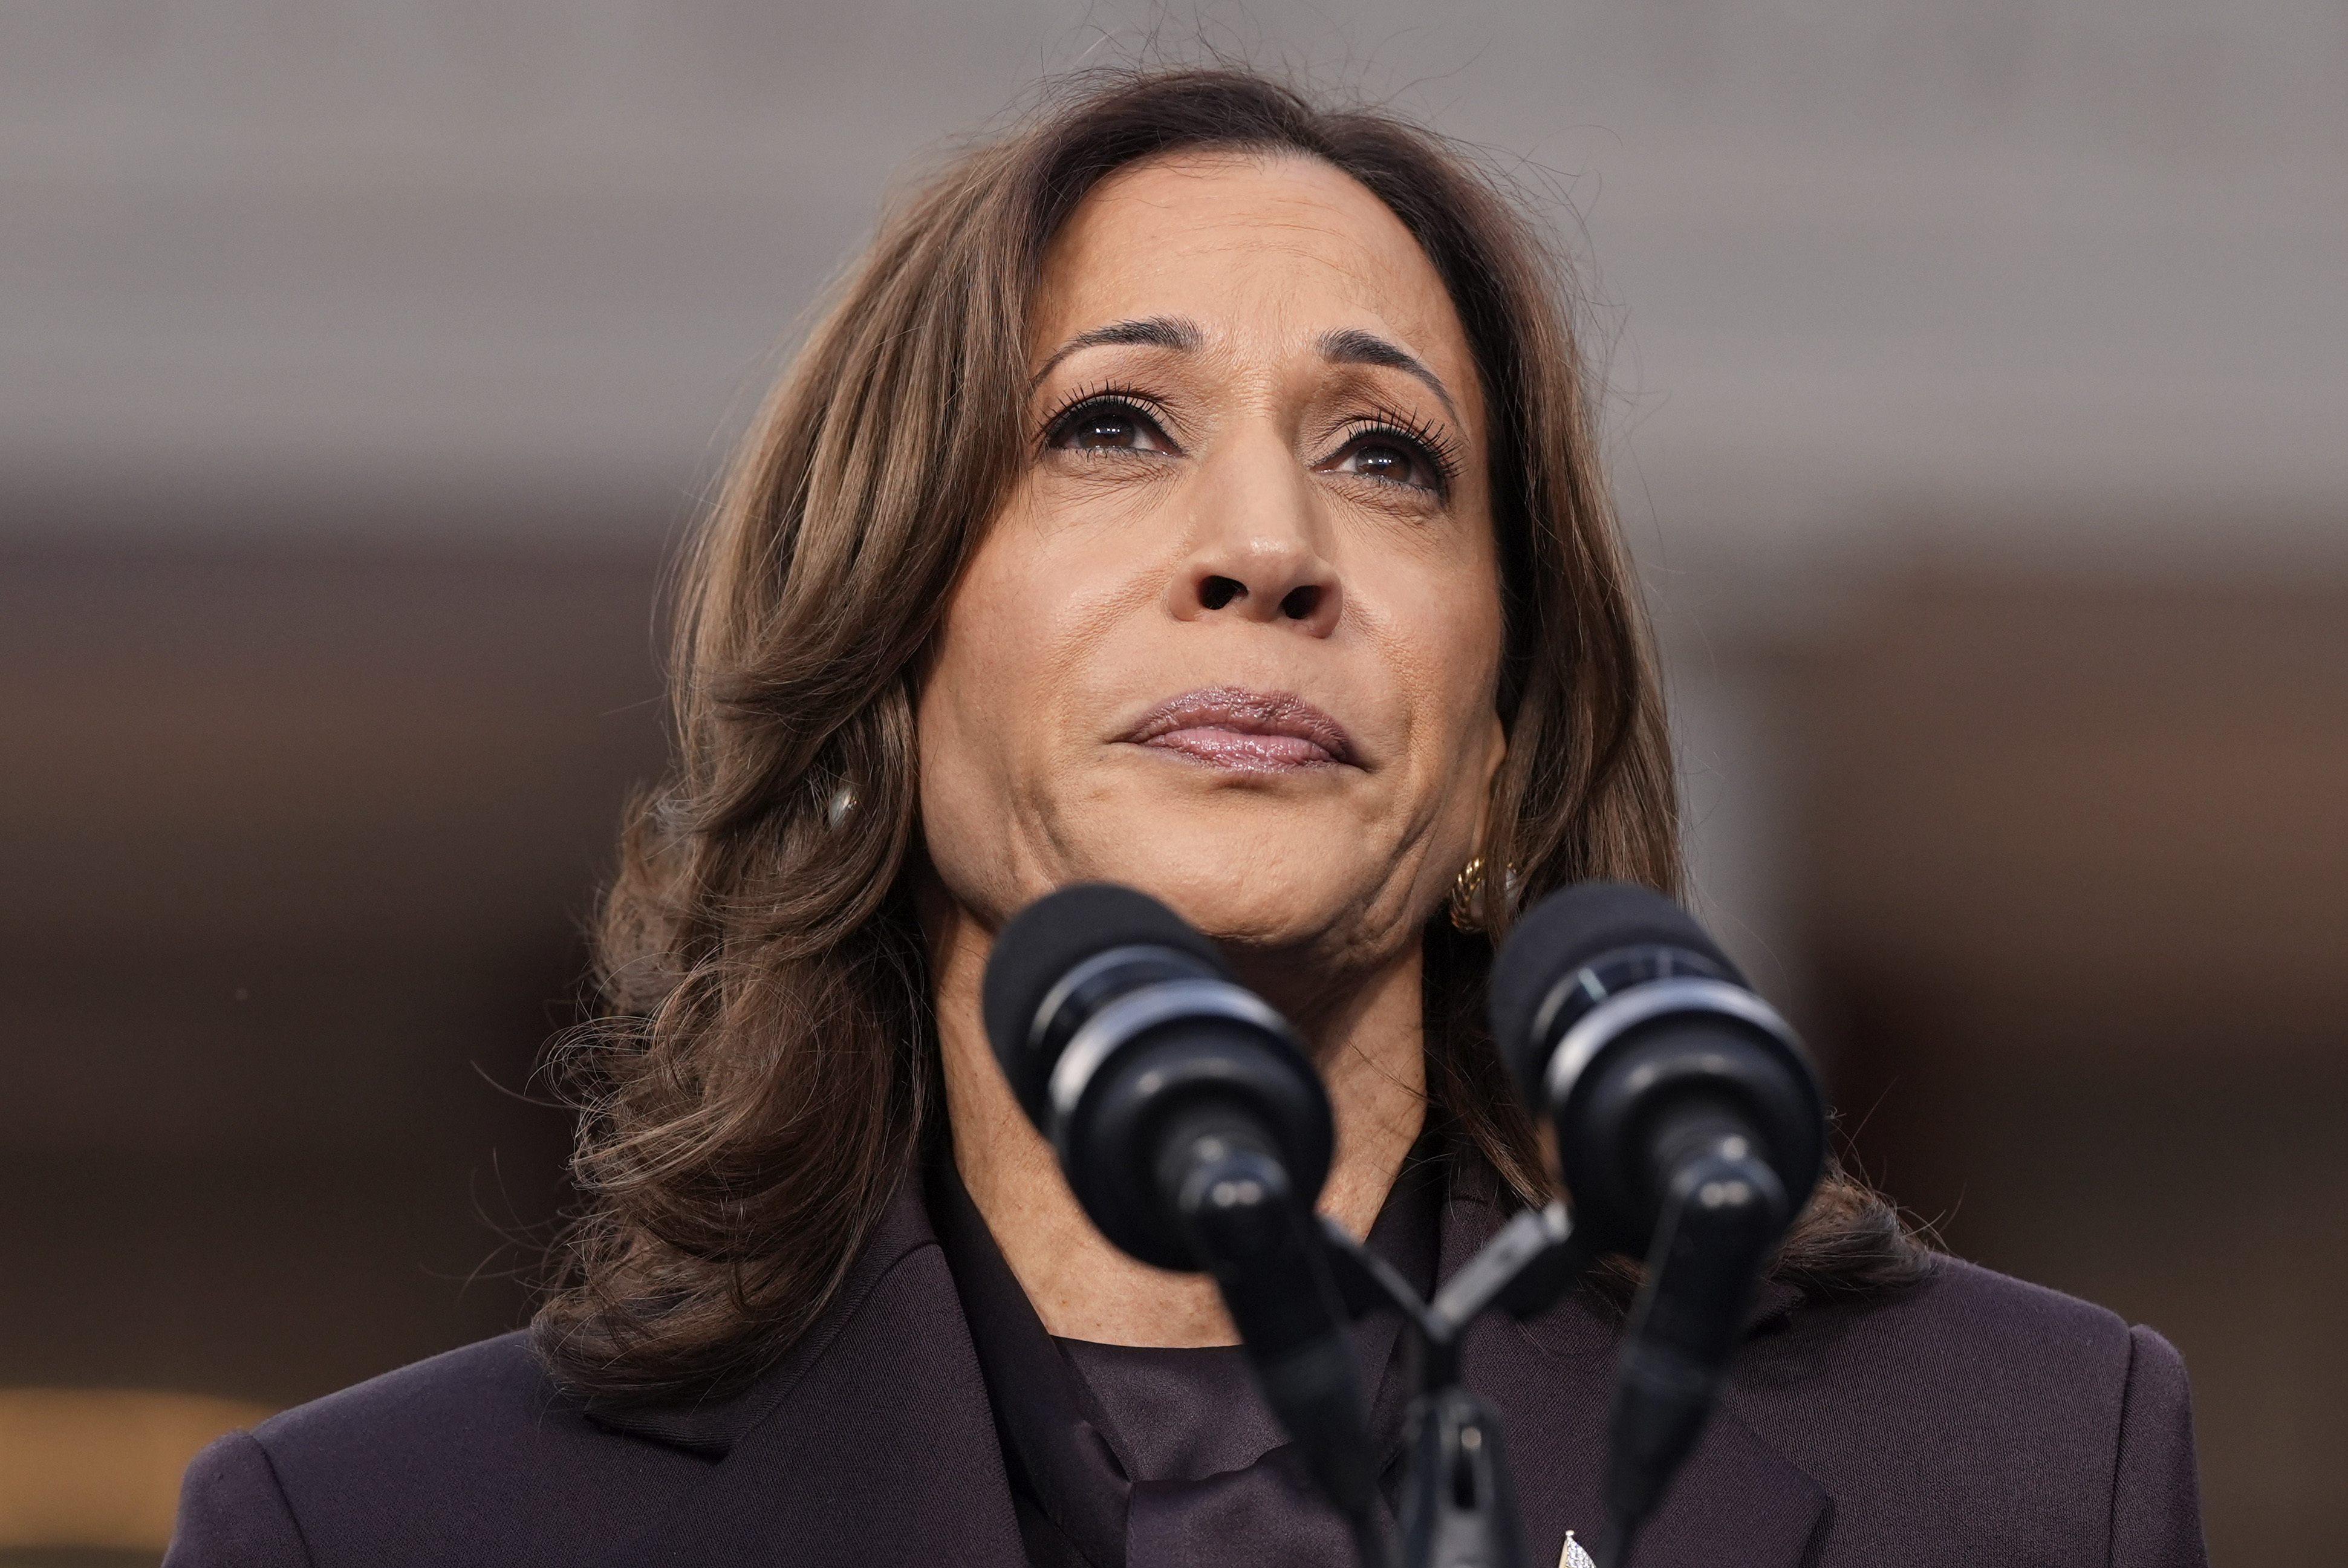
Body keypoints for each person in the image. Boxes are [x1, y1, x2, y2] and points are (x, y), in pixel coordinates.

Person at [165, 67, 2207, 1568]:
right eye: (1110, 425)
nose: (1264, 544)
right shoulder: (385, 1529)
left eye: (1388, 455)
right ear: (888, 663)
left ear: (1497, 735)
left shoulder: (2026, 1467)